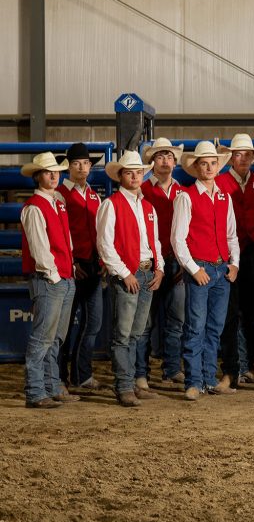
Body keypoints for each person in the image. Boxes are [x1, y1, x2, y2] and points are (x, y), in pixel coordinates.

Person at [171, 141, 240, 401]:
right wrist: (193, 268)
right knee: (195, 326)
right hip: (200, 267)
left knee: (214, 327)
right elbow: (178, 239)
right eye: (204, 163)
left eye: (213, 163)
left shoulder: (224, 197)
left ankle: (208, 378)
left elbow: (231, 235)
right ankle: (193, 380)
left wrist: (234, 264)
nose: (209, 167)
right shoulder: (186, 197)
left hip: (222, 269)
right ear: (196, 167)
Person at [97, 152, 165, 407]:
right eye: (129, 172)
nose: (135, 176)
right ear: (121, 176)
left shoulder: (147, 207)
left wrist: (160, 268)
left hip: (147, 272)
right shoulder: (111, 204)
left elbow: (154, 241)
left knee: (137, 332)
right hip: (128, 273)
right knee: (124, 333)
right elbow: (104, 244)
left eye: (138, 172)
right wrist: (124, 273)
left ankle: (134, 382)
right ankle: (124, 386)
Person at [20, 152, 78, 409]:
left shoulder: (58, 202)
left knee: (55, 338)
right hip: (49, 278)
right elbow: (40, 249)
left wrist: (68, 270)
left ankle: (52, 386)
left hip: (62, 276)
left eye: (57, 172)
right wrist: (55, 275)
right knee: (43, 337)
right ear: (38, 176)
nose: (54, 176)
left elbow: (65, 239)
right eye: (48, 172)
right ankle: (35, 390)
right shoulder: (35, 207)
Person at [215, 134, 254, 387]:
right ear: (231, 158)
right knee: (230, 312)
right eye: (238, 154)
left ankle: (247, 366)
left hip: (252, 253)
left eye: (248, 154)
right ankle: (232, 367)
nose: (244, 158)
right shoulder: (220, 182)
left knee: (249, 311)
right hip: (227, 254)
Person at [55, 142, 103, 391]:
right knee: (63, 325)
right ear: (68, 167)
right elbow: (60, 232)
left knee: (93, 322)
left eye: (86, 163)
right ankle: (60, 377)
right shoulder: (60, 195)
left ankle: (81, 374)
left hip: (93, 265)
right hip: (72, 266)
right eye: (76, 163)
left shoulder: (93, 195)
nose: (82, 167)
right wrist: (71, 261)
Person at [140, 138, 187, 385]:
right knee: (146, 322)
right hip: (150, 262)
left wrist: (183, 261)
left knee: (176, 319)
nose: (165, 161)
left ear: (175, 161)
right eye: (159, 157)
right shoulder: (143, 190)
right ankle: (141, 372)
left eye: (168, 157)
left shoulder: (183, 193)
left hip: (176, 261)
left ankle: (171, 368)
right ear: (152, 162)